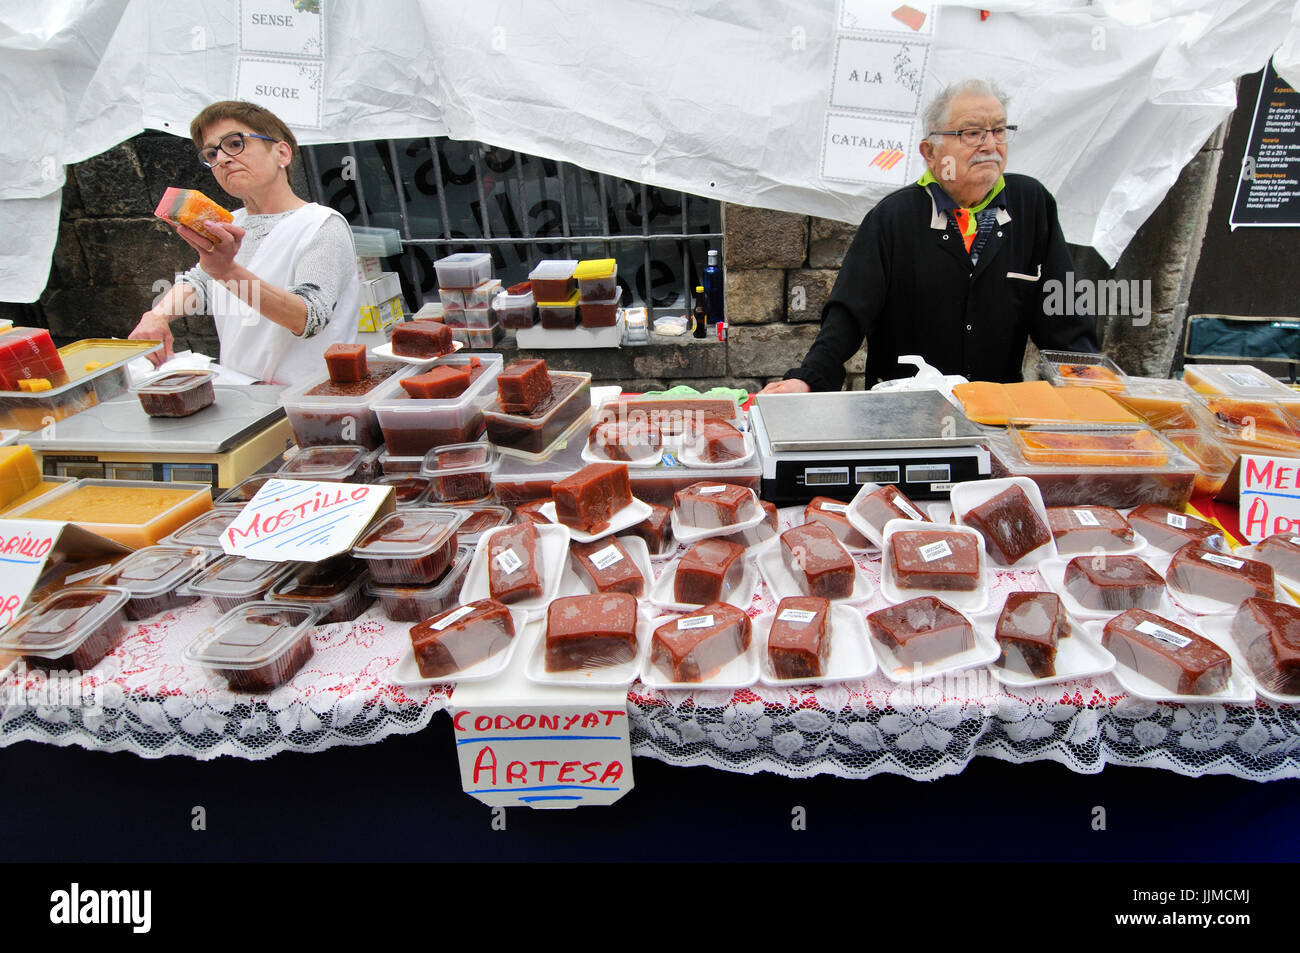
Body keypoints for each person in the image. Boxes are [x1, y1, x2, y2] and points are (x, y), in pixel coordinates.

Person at [760, 79, 1097, 394]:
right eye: (972, 133)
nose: (990, 144)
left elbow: (1063, 318)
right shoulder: (892, 218)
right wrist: (808, 378)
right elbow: (847, 315)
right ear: (930, 152)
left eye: (998, 130)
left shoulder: (1031, 205)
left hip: (997, 418)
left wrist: (1090, 380)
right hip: (905, 417)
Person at [130, 101, 359, 384]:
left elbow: (309, 317)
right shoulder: (230, 223)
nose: (223, 159)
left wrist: (227, 272)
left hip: (311, 398)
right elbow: (200, 282)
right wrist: (157, 315)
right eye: (212, 153)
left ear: (282, 153)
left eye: (235, 144)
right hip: (243, 394)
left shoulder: (321, 225)